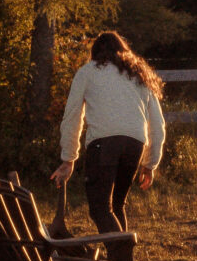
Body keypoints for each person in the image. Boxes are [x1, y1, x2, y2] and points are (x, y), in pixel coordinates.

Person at [53, 30, 166, 234]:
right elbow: (157, 125)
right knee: (117, 206)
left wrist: (68, 159)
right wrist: (150, 164)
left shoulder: (87, 73)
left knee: (100, 210)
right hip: (135, 145)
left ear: (95, 53)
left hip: (103, 145)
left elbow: (72, 116)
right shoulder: (139, 76)